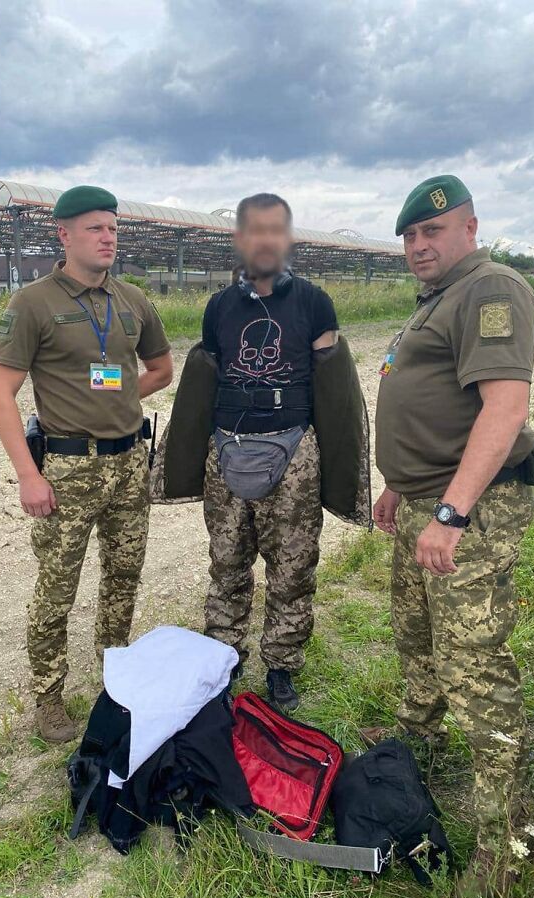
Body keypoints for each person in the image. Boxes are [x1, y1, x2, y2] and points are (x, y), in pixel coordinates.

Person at [369, 175, 534, 893]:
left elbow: (503, 408)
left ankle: (509, 845)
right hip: (421, 499)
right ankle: (420, 734)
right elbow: (431, 403)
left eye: (431, 232)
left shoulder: (489, 289)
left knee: (473, 663)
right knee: (416, 634)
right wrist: (400, 485)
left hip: (467, 508)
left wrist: (451, 512)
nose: (418, 246)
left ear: (469, 228)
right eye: (409, 236)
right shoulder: (434, 303)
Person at [0, 185, 173, 743]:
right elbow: (1, 391)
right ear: (64, 235)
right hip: (67, 468)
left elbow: (161, 370)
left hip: (128, 463)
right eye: (95, 228)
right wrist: (28, 474)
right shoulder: (33, 302)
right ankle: (48, 698)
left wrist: (116, 400)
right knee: (57, 587)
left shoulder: (134, 300)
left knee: (123, 579)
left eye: (113, 227)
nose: (108, 236)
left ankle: (115, 684)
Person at [200, 193, 339, 711]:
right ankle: (223, 662)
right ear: (240, 239)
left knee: (293, 567)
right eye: (255, 230)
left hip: (294, 452)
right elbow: (207, 380)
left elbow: (332, 387)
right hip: (228, 449)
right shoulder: (218, 306)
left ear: (288, 238)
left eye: (275, 230)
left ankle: (282, 665)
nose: (265, 240)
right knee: (227, 564)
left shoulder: (313, 302)